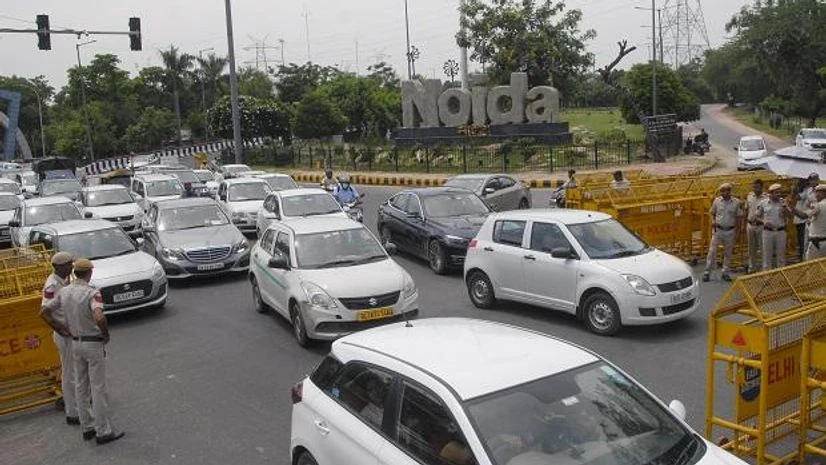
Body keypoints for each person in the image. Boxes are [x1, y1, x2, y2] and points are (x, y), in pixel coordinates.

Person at [46, 258, 124, 445]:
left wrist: (59, 328)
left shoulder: (64, 291)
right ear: (89, 273)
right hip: (92, 343)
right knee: (97, 388)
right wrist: (105, 335)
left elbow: (44, 312)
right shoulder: (92, 293)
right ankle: (103, 430)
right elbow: (99, 317)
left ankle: (87, 428)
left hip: (75, 343)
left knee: (80, 386)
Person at [38, 251, 78, 425]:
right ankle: (72, 412)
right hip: (64, 335)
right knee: (69, 374)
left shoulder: (65, 280)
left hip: (71, 333)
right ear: (57, 267)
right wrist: (61, 329)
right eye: (68, 264)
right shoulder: (52, 285)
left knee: (75, 371)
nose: (71, 266)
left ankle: (78, 404)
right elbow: (44, 313)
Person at [703, 183, 743, 282]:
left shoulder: (736, 202)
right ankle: (707, 272)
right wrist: (713, 221)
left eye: (725, 191)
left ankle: (725, 272)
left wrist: (738, 233)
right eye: (722, 191)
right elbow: (712, 213)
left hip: (730, 230)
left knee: (728, 253)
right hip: (718, 230)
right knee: (712, 251)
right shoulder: (717, 201)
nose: (723, 193)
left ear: (729, 191)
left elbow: (739, 218)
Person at [757, 184, 793, 270]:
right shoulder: (763, 203)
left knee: (781, 256)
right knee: (767, 255)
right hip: (767, 232)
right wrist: (764, 222)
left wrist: (785, 207)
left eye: (779, 192)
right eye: (776, 192)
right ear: (771, 193)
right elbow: (757, 216)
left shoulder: (783, 202)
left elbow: (790, 216)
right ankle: (766, 275)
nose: (779, 194)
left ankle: (781, 275)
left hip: (781, 231)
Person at [794, 184, 826, 260]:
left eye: (818, 192)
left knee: (811, 265)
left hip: (817, 243)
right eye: (815, 192)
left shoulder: (818, 205)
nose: (816, 195)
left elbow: (803, 215)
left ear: (824, 193)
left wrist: (792, 208)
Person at [745, 180, 765, 273]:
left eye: (757, 187)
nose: (755, 189)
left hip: (761, 226)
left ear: (761, 187)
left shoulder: (765, 198)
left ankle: (763, 268)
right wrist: (744, 223)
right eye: (754, 187)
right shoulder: (750, 196)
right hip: (750, 225)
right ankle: (752, 267)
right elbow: (746, 210)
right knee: (751, 248)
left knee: (762, 248)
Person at [793, 179, 810, 262]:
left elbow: (797, 197)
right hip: (798, 219)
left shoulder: (807, 190)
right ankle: (800, 257)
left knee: (803, 241)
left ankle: (803, 259)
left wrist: (795, 188)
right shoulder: (801, 190)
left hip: (803, 220)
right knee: (800, 241)